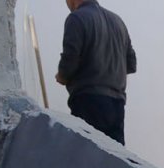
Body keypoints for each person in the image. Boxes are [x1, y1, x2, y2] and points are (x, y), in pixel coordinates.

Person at [56, 0, 136, 144]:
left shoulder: (76, 18)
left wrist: (62, 76)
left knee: (87, 156)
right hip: (117, 104)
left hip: (88, 101)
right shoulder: (118, 22)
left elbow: (70, 59)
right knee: (114, 159)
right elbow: (131, 64)